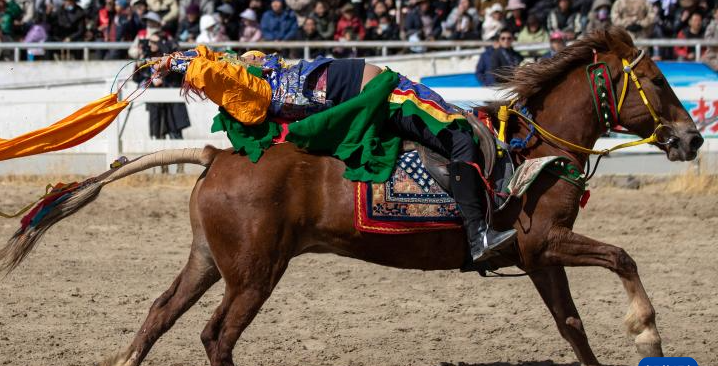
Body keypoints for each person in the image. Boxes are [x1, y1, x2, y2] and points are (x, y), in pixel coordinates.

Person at [157, 48, 517, 263]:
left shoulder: (258, 80)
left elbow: (214, 61)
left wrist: (171, 61)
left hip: (386, 89)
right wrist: (176, 65)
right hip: (388, 94)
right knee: (460, 139)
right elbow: (212, 67)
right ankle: (478, 235)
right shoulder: (259, 90)